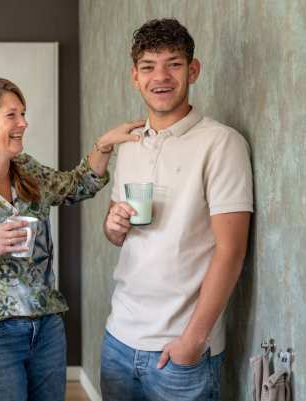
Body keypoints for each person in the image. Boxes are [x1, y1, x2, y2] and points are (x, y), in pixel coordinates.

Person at [0, 76, 142, 401]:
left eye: (23, 113)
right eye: (12, 115)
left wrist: (104, 144)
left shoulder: (25, 170)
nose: (23, 123)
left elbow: (77, 185)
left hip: (46, 326)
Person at [100, 18, 254, 401]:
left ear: (193, 70)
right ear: (135, 76)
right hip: (118, 338)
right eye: (149, 66)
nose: (161, 76)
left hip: (181, 352)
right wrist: (114, 224)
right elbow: (119, 235)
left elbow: (231, 251)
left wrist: (193, 340)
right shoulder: (130, 144)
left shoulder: (221, 143)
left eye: (174, 63)